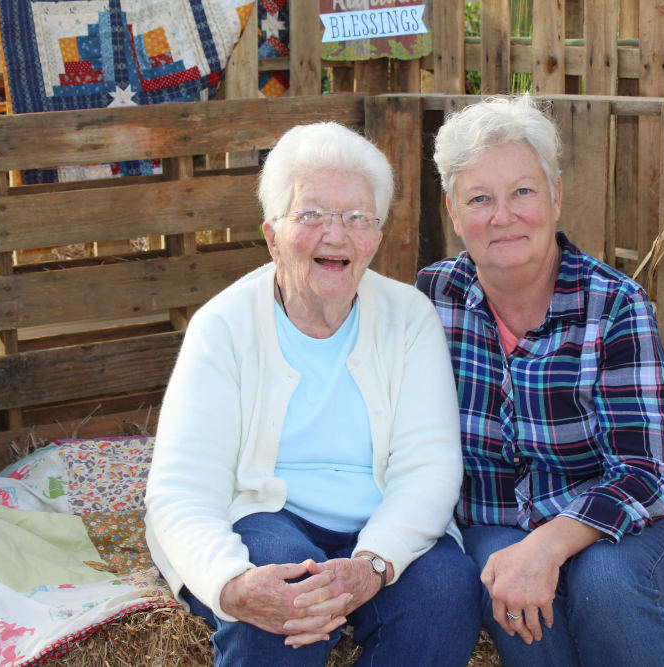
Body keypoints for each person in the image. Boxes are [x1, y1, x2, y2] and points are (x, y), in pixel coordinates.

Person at [145, 121, 480, 666]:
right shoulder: (223, 328)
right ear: (272, 235)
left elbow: (430, 466)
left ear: (376, 235)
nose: (336, 235)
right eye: (312, 215)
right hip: (263, 517)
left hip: (381, 523)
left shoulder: (409, 318)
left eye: (356, 218)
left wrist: (374, 563)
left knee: (447, 591)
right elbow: (181, 490)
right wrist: (230, 584)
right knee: (285, 602)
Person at [416, 96, 664, 667]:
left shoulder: (614, 304)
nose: (503, 216)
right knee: (522, 610)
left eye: (523, 192)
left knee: (604, 587)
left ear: (555, 197)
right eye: (480, 198)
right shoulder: (430, 299)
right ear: (454, 213)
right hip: (496, 519)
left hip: (638, 517)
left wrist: (549, 545)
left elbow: (644, 474)